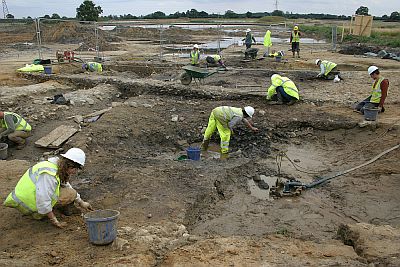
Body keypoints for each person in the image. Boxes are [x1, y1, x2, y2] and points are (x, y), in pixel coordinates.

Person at [3, 148, 93, 228]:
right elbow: (43, 199)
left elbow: (65, 184)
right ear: (69, 165)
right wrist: (55, 221)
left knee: (70, 191)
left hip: (28, 198)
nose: (75, 172)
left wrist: (82, 203)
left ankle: (43, 211)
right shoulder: (49, 175)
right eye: (75, 169)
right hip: (28, 205)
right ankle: (39, 214)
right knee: (69, 194)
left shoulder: (55, 166)